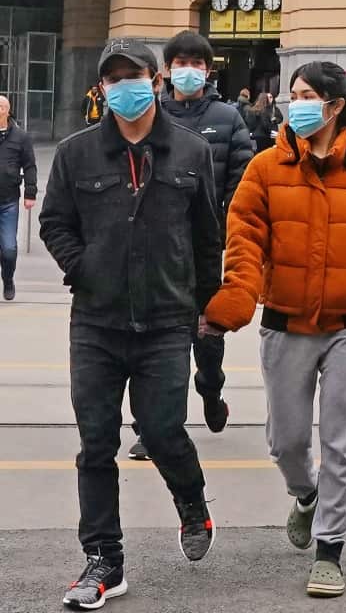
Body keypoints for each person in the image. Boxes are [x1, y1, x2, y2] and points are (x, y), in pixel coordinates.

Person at [203, 61, 346, 597]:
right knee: (287, 441)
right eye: (290, 94)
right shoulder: (266, 168)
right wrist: (238, 295)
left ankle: (330, 550)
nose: (292, 103)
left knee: (343, 443)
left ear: (335, 106)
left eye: (304, 95)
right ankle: (305, 493)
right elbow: (244, 236)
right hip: (285, 323)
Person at [39, 38, 223, 610]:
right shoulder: (76, 154)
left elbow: (206, 238)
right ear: (101, 88)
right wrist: (82, 265)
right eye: (112, 77)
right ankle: (103, 560)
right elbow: (54, 223)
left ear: (156, 79)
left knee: (163, 428)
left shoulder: (192, 153)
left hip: (169, 320)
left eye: (134, 75)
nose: (125, 86)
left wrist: (206, 312)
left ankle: (192, 505)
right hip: (96, 321)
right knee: (96, 444)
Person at [126, 30, 253, 462]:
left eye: (196, 64)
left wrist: (225, 231)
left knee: (206, 333)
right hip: (154, 247)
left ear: (208, 69)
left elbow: (242, 180)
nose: (188, 71)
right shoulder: (148, 113)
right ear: (166, 71)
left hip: (204, 247)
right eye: (180, 63)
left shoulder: (229, 117)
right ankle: (152, 428)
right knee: (158, 337)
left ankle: (211, 387)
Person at [0, 95, 36, 301]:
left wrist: (30, 192)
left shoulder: (20, 137)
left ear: (7, 110)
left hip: (8, 202)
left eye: (0, 107)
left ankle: (8, 278)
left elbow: (29, 165)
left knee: (9, 250)